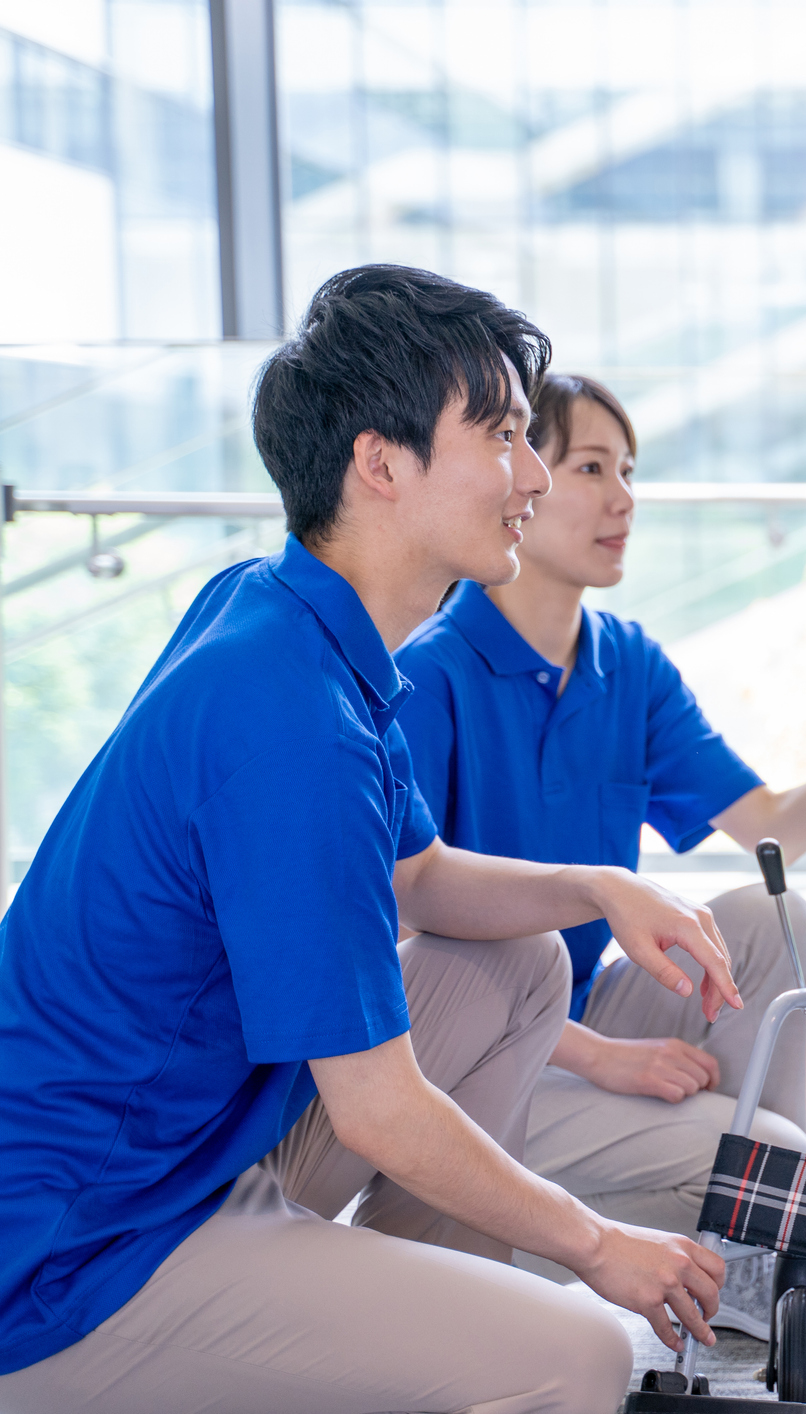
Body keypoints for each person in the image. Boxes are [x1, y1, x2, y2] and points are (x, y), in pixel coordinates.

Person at [0, 265, 748, 1414]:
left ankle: (415, 1324)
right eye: (502, 435)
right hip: (84, 1251)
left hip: (191, 1154)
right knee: (582, 1353)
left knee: (521, 957)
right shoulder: (290, 719)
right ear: (380, 462)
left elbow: (425, 878)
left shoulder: (283, 616)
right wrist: (598, 1244)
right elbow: (376, 1108)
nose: (534, 475)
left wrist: (600, 884)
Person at [393, 371, 806, 1335]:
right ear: (523, 480)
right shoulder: (432, 670)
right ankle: (755, 1225)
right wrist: (603, 1059)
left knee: (768, 914)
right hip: (477, 1054)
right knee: (774, 1150)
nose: (622, 499)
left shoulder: (628, 663)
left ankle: (747, 1258)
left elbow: (773, 827)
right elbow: (409, 939)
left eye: (629, 472)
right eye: (589, 467)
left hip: (576, 1012)